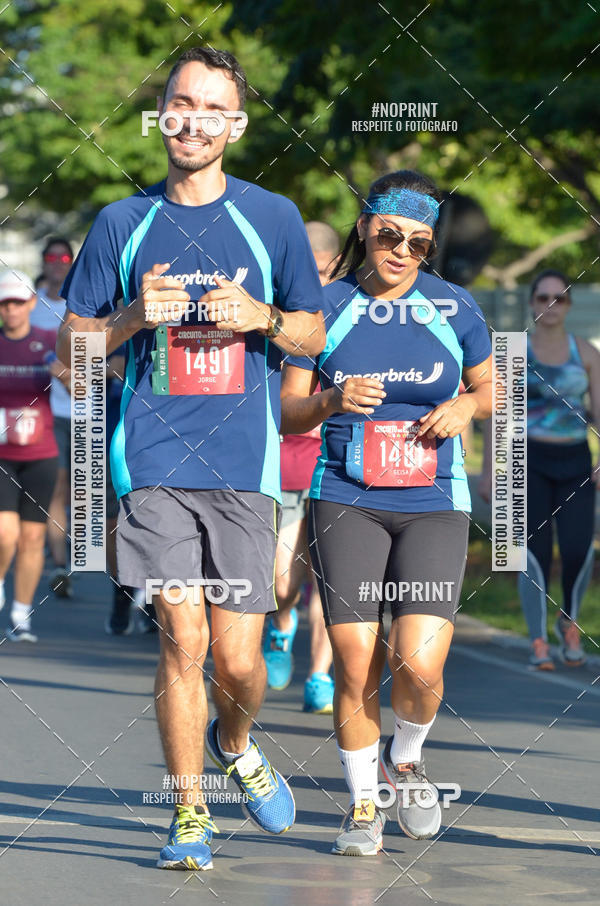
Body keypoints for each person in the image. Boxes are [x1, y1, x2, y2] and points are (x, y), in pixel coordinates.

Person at [56, 46, 325, 872]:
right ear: (162, 113)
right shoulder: (119, 223)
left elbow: (313, 333)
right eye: (181, 103)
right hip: (153, 460)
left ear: (234, 126)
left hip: (245, 470)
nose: (194, 119)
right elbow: (74, 353)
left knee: (241, 662)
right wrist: (134, 316)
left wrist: (262, 317)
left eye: (212, 108)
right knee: (183, 635)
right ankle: (187, 815)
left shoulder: (272, 217)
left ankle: (234, 740)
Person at [281, 170, 492, 856]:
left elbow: (495, 387)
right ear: (366, 227)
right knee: (353, 660)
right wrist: (332, 403)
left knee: (421, 666)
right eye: (390, 234)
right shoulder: (326, 307)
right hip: (347, 497)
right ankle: (363, 806)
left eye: (420, 242)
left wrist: (465, 405)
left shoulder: (455, 308)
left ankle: (406, 756)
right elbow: (286, 412)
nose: (402, 251)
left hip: (433, 502)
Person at [479, 269, 600, 669]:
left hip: (575, 463)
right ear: (532, 303)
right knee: (531, 552)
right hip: (524, 461)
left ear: (568, 305)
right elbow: (497, 414)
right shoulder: (514, 351)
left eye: (559, 298)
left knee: (579, 549)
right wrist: (490, 472)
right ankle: (537, 641)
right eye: (543, 297)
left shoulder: (585, 353)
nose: (551, 304)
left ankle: (569, 622)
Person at [264, 221, 338, 712]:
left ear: (334, 266)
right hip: (288, 461)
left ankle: (320, 678)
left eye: (317, 270)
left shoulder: (350, 312)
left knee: (333, 580)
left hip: (340, 466)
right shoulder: (277, 315)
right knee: (285, 578)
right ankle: (282, 626)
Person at [0, 270, 64, 641]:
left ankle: (22, 613)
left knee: (33, 539)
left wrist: (65, 374)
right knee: (5, 533)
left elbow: (81, 387)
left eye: (17, 302)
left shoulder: (48, 341)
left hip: (41, 453)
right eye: (4, 304)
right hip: (3, 455)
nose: (11, 310)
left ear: (30, 303)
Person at [30, 237, 75, 598]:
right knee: (58, 484)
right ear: (43, 262)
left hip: (90, 409)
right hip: (48, 410)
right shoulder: (31, 305)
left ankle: (82, 556)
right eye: (51, 257)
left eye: (64, 257)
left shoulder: (85, 303)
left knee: (88, 490)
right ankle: (61, 565)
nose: (58, 263)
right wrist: (56, 369)